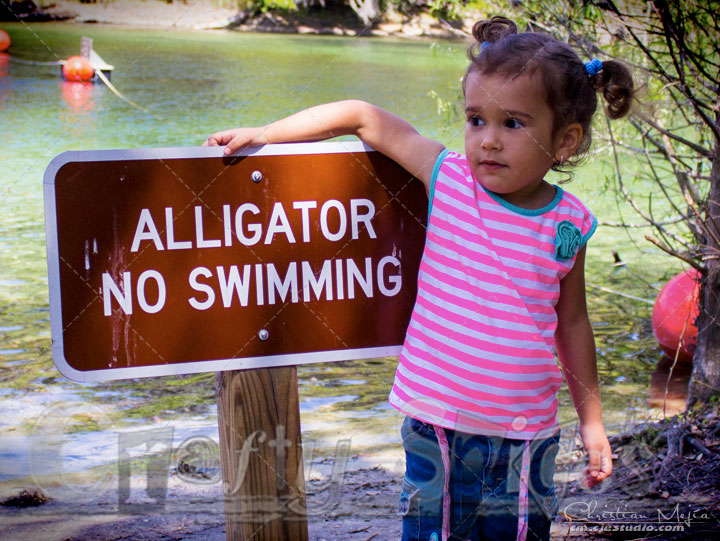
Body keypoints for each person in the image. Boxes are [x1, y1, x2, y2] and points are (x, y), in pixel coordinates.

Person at [205, 15, 634, 541]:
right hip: (436, 423)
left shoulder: (569, 223)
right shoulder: (451, 180)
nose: (488, 141)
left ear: (564, 141)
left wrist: (592, 421)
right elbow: (363, 117)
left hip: (526, 434)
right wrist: (267, 134)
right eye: (476, 119)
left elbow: (572, 324)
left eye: (513, 124)